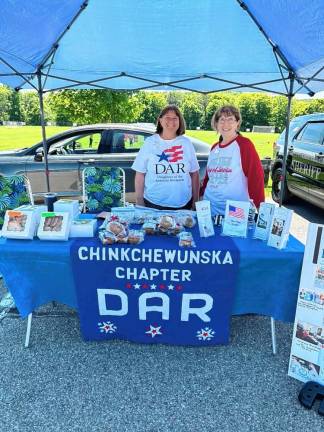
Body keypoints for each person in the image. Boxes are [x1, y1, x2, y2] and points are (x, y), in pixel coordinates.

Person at [132, 105, 200, 210]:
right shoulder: (150, 142)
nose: (171, 121)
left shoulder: (186, 143)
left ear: (180, 121)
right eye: (167, 117)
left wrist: (196, 201)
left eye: (175, 118)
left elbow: (194, 174)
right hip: (153, 204)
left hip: (183, 205)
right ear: (160, 120)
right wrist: (139, 200)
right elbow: (140, 174)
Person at [200, 105, 265, 216]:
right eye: (222, 119)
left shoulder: (244, 145)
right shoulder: (214, 147)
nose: (226, 124)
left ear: (237, 123)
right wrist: (200, 195)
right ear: (216, 123)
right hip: (209, 207)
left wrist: (261, 207)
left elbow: (256, 176)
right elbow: (208, 177)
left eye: (230, 119)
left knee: (232, 233)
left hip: (234, 211)